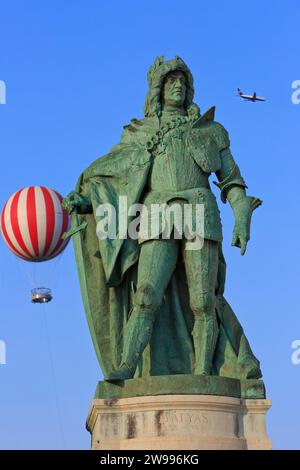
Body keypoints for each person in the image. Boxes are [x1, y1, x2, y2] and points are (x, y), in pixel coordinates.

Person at [63, 56, 262, 382]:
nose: (178, 86)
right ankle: (126, 367)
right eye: (170, 81)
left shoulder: (211, 131)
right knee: (146, 296)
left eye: (183, 81)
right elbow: (113, 180)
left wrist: (242, 218)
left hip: (199, 212)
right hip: (155, 215)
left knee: (202, 302)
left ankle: (201, 375)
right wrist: (85, 201)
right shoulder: (139, 133)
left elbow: (233, 182)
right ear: (158, 88)